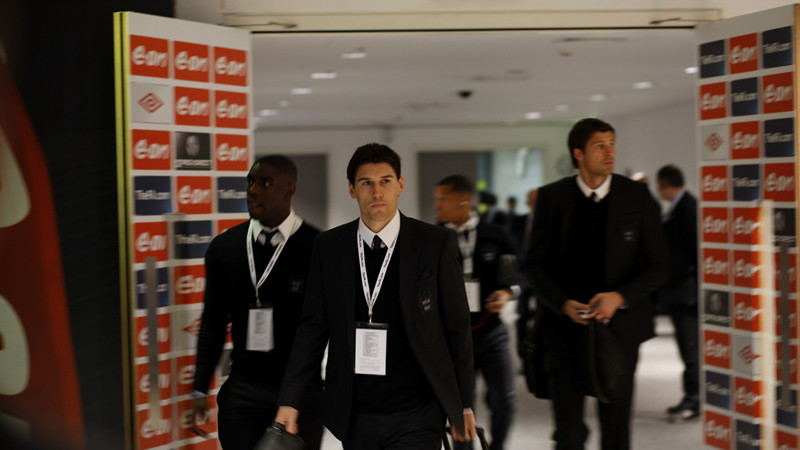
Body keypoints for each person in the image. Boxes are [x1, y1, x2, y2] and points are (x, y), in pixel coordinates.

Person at [274, 143, 477, 449]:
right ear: (353, 190)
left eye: (385, 181)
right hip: (356, 413)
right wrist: (290, 399)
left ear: (401, 185)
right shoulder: (329, 247)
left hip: (418, 411)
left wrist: (463, 402)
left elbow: (457, 327)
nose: (377, 192)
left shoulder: (434, 243)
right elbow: (313, 328)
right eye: (366, 183)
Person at [528, 118, 669, 450]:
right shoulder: (553, 198)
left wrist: (619, 297)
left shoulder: (636, 195)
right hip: (565, 329)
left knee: (616, 430)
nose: (610, 153)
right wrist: (562, 303)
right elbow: (534, 264)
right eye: (599, 146)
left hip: (620, 330)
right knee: (569, 432)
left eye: (612, 144)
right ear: (578, 154)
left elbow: (661, 265)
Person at [190, 155, 323, 450]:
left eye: (265, 183)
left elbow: (328, 327)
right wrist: (199, 387)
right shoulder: (225, 248)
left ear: (290, 189)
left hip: (300, 391)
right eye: (250, 182)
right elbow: (212, 322)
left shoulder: (318, 248)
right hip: (243, 388)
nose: (253, 190)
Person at [434, 175, 519, 450]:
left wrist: (508, 292)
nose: (437, 206)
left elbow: (523, 274)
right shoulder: (432, 238)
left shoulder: (497, 234)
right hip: (453, 338)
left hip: (491, 330)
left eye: (442, 199)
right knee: (460, 405)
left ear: (464, 200)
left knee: (504, 399)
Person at [655, 164, 699, 423]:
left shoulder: (686, 208)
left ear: (664, 184)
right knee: (687, 350)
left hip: (687, 294)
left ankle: (693, 400)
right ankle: (691, 397)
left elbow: (694, 250)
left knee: (691, 350)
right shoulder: (680, 207)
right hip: (680, 293)